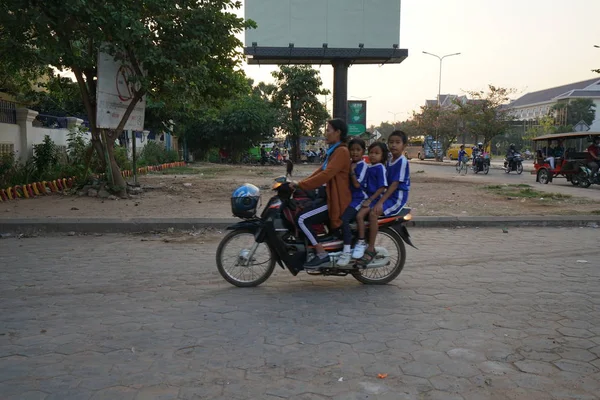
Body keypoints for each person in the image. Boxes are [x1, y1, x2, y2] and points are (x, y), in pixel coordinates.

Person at [292, 119, 351, 268]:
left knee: (301, 218)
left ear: (338, 133)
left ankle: (321, 253)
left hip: (335, 200)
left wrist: (301, 184)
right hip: (327, 195)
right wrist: (299, 184)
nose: (326, 133)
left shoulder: (342, 152)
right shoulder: (334, 151)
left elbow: (326, 175)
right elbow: (320, 171)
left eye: (328, 130)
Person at [354, 131, 410, 265]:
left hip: (396, 197)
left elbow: (394, 185)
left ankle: (371, 248)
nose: (394, 145)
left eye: (398, 142)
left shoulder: (402, 161)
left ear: (404, 145)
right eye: (391, 142)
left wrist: (380, 202)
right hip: (387, 195)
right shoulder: (390, 160)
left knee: (373, 213)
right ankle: (362, 242)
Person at [353, 142, 389, 263]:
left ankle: (364, 243)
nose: (373, 155)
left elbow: (382, 187)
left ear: (382, 156)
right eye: (371, 152)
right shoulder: (369, 167)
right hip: (367, 197)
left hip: (375, 199)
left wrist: (370, 200)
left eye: (376, 153)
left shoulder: (380, 168)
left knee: (360, 216)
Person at [337, 138, 368, 267]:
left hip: (359, 199)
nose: (355, 152)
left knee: (344, 219)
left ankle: (347, 249)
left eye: (358, 150)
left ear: (363, 151)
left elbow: (356, 184)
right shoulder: (349, 163)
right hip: (349, 198)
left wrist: (351, 171)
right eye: (352, 150)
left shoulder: (363, 166)